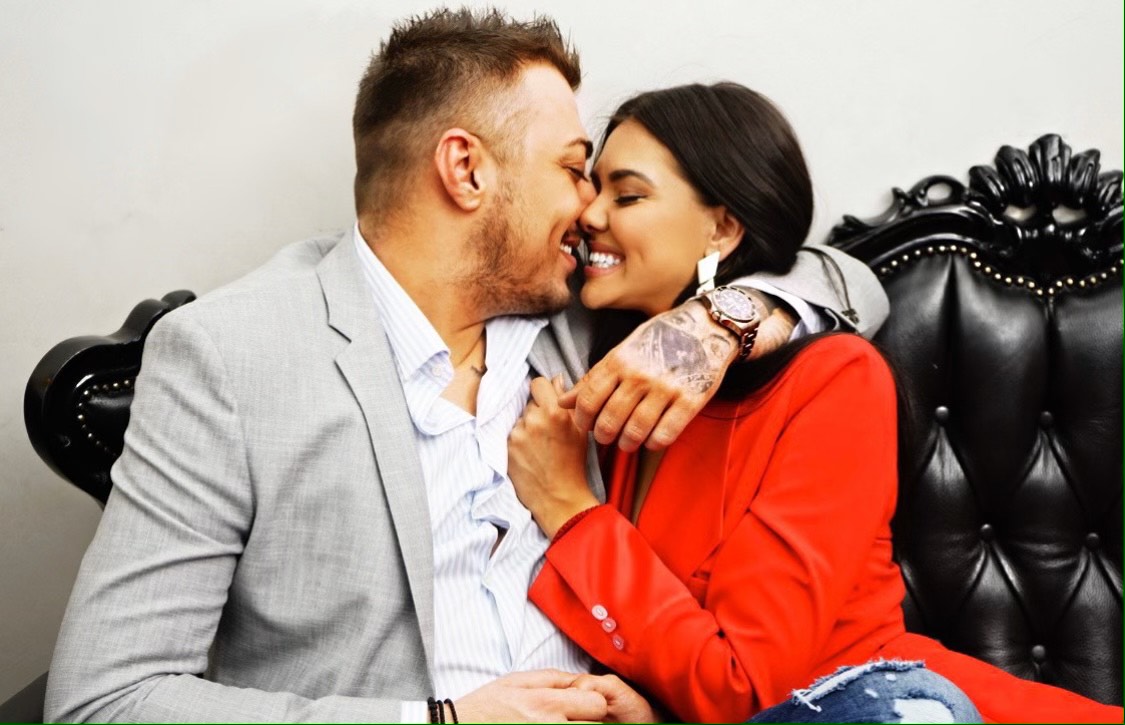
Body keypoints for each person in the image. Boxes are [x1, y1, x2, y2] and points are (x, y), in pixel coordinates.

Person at [45, 9, 888, 723]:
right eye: (573, 170)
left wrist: (721, 319)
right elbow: (103, 698)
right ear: (466, 169)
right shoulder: (234, 355)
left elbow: (845, 275)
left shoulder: (591, 326)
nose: (589, 209)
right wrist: (437, 721)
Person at [507, 81, 1125, 724]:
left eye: (628, 195)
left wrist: (571, 511)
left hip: (875, 707)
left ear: (721, 228)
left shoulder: (835, 381)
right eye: (592, 186)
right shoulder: (604, 381)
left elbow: (743, 688)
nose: (589, 214)